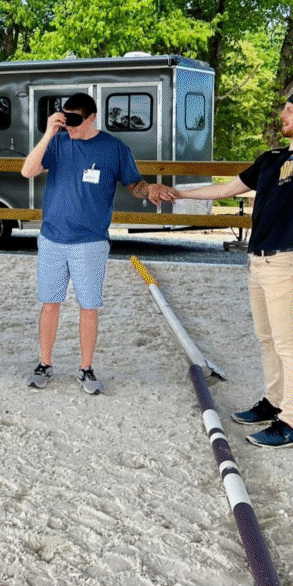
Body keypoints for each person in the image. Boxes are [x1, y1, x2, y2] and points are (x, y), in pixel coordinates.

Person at [178, 0, 293, 448]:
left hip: (287, 262)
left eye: (291, 111)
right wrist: (180, 193)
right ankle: (273, 404)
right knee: (266, 339)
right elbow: (227, 188)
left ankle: (290, 424)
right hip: (258, 263)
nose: (283, 115)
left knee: (290, 346)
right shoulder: (272, 158)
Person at [20, 92, 177, 395]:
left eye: (75, 120)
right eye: (65, 118)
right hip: (52, 238)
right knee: (50, 304)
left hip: (90, 242)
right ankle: (45, 363)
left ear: (92, 118)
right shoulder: (57, 141)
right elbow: (28, 171)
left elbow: (135, 185)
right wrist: (49, 132)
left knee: (88, 307)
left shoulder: (114, 148)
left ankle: (86, 368)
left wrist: (151, 190)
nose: (70, 125)